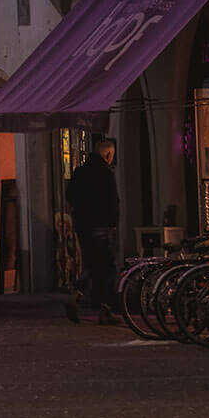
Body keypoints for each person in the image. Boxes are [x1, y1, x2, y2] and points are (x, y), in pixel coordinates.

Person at [65, 136, 120, 324]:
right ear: (108, 154)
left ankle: (76, 295)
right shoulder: (105, 173)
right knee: (107, 267)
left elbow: (70, 195)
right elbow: (113, 202)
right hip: (101, 224)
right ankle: (105, 310)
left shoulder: (80, 172)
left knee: (91, 263)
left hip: (83, 225)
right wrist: (113, 223)